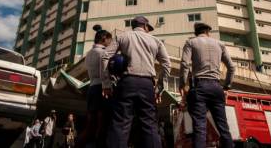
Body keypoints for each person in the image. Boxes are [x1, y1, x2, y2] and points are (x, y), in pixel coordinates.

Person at [102, 16, 171, 148]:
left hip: (126, 82)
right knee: (150, 125)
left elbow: (105, 56)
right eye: (148, 28)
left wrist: (107, 83)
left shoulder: (123, 36)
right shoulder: (155, 41)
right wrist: (159, 88)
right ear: (145, 26)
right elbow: (166, 64)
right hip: (147, 84)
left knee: (121, 124)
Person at [179, 22, 235, 148]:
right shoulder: (220, 44)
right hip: (217, 87)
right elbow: (232, 67)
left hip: (199, 87)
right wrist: (226, 87)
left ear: (196, 32)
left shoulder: (191, 43)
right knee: (223, 128)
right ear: (208, 32)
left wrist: (182, 85)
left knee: (200, 128)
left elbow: (184, 64)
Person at [76, 25, 112, 148]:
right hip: (101, 89)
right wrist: (107, 87)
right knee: (102, 124)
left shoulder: (89, 53)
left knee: (91, 124)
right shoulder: (103, 52)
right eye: (109, 39)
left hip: (91, 87)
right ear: (104, 38)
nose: (110, 42)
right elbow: (104, 72)